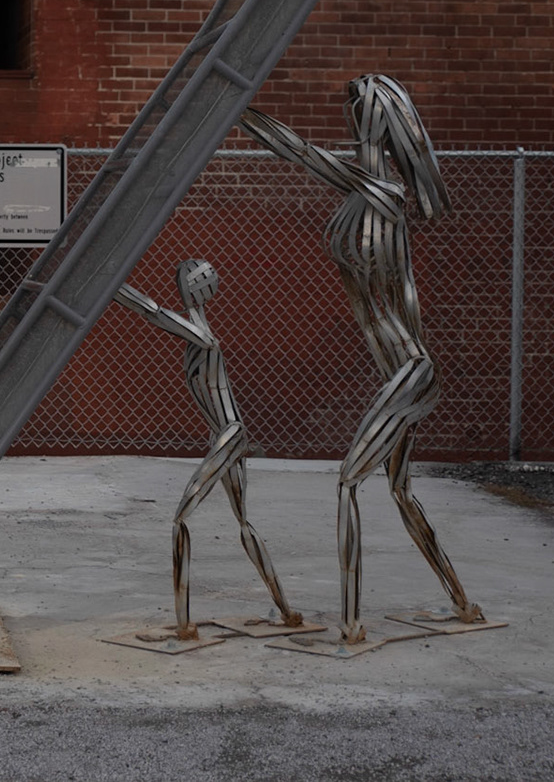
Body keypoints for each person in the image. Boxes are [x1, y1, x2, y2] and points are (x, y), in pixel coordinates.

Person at [240, 75, 485, 645]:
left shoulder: (383, 193)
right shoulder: (366, 192)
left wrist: (238, 111)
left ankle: (351, 625)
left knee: (349, 482)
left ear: (378, 121)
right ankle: (461, 601)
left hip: (410, 370)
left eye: (360, 110)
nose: (350, 120)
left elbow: (301, 152)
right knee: (399, 490)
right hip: (399, 370)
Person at [115, 260, 300, 641]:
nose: (182, 285)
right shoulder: (202, 333)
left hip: (229, 434)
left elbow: (154, 313)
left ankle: (184, 626)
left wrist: (112, 287)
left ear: (196, 289)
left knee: (181, 519)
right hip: (226, 434)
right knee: (243, 523)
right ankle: (286, 609)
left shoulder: (204, 337)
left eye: (188, 280)